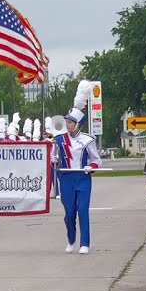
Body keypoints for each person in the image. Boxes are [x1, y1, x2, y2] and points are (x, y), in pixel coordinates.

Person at [53, 107, 101, 254]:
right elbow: (53, 156)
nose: (68, 125)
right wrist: (54, 159)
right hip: (66, 178)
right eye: (67, 122)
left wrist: (90, 166)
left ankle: (84, 243)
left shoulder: (88, 139)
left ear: (78, 123)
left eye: (71, 122)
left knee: (82, 210)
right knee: (70, 213)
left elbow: (97, 159)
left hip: (82, 177)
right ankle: (71, 239)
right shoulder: (59, 140)